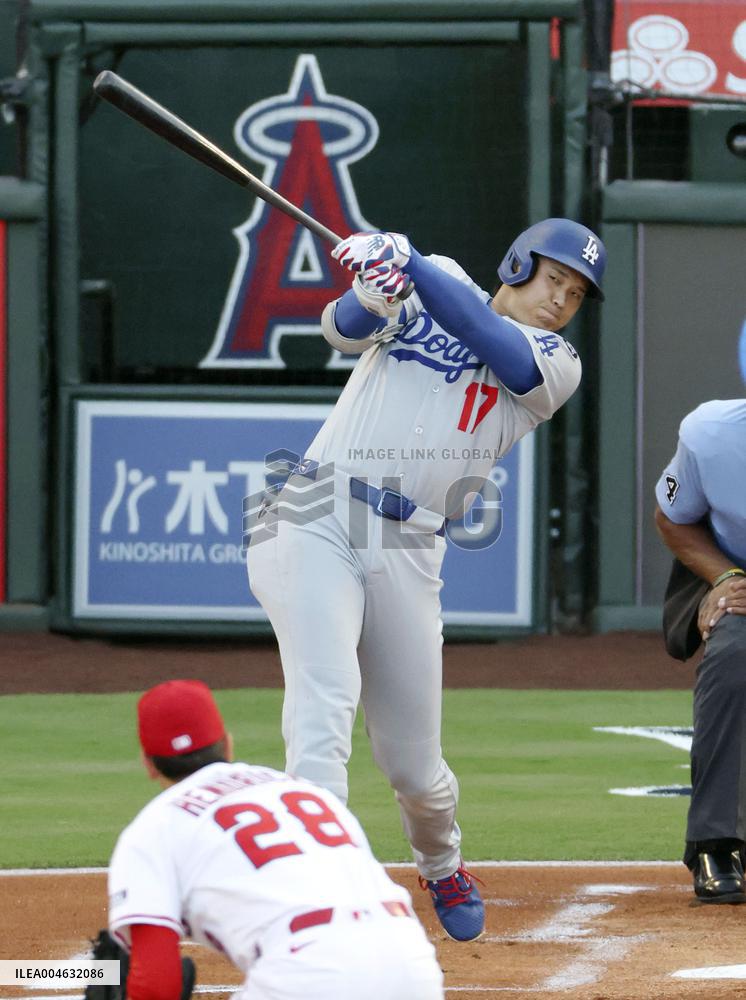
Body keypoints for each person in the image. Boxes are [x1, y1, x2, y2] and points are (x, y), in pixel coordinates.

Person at [246, 219, 606, 940]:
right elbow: (340, 330)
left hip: (412, 547)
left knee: (414, 766)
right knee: (323, 710)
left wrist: (407, 261)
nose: (560, 300)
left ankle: (441, 863)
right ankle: (318, 898)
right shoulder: (430, 275)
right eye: (553, 280)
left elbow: (483, 332)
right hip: (316, 510)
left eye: (574, 294)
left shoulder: (553, 360)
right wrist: (375, 293)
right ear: (516, 262)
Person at [107, 679, 444, 1000]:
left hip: (303, 975)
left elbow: (155, 987)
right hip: (412, 964)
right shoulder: (305, 791)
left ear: (149, 765)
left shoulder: (152, 829)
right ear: (227, 743)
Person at [654, 399, 746, 904]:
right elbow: (673, 518)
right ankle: (716, 844)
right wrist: (725, 577)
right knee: (735, 652)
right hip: (737, 571)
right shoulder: (710, 433)